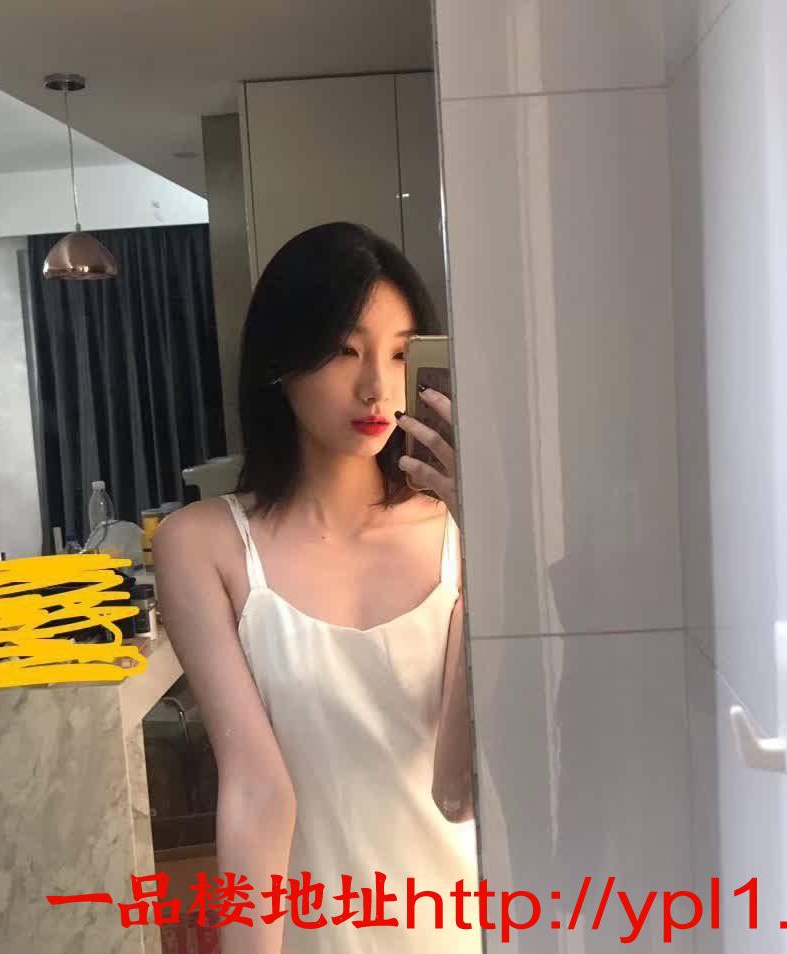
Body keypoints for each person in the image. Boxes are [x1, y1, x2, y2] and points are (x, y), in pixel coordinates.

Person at [153, 222, 480, 954]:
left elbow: (457, 790)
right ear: (281, 360)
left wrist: (493, 552)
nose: (377, 387)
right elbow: (256, 789)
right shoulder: (203, 544)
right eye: (343, 350)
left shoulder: (461, 535)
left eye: (400, 353)